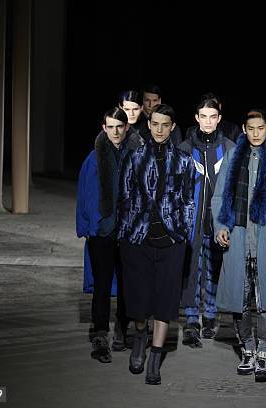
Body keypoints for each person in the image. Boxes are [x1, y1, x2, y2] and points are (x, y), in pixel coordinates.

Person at [212, 108, 266, 382]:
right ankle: (247, 350)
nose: (257, 133)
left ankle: (264, 355)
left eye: (261, 128)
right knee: (239, 300)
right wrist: (220, 226)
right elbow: (219, 196)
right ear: (245, 131)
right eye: (251, 128)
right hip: (238, 237)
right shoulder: (233, 158)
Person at [118, 104, 195, 385]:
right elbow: (124, 197)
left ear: (173, 127)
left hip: (171, 240)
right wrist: (126, 231)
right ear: (148, 125)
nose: (160, 129)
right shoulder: (134, 157)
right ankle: (140, 337)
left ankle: (155, 356)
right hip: (137, 238)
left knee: (165, 300)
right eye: (155, 124)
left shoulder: (184, 160)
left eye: (165, 125)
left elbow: (189, 199)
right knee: (138, 301)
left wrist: (183, 232)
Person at [76, 107, 143, 363]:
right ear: (104, 128)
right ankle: (100, 333)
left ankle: (121, 332)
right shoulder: (94, 158)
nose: (115, 131)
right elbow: (84, 194)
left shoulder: (136, 155)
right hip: (102, 231)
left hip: (127, 230)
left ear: (126, 128)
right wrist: (86, 226)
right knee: (102, 285)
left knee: (127, 285)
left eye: (120, 126)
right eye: (110, 127)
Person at [178, 96, 235, 347]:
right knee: (191, 269)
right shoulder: (184, 149)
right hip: (192, 222)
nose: (208, 121)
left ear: (219, 118)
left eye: (213, 116)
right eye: (204, 116)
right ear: (196, 118)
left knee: (214, 268)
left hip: (219, 222)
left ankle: (211, 315)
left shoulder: (230, 148)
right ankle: (191, 319)